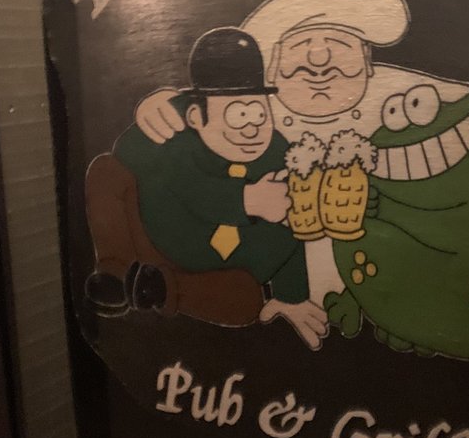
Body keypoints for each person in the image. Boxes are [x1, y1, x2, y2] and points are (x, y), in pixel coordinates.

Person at [134, 0, 469, 303]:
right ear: (273, 70)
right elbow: (206, 112)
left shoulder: (396, 92)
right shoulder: (260, 111)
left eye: (337, 43)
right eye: (301, 45)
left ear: (368, 62)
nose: (319, 58)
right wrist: (158, 105)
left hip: (393, 282)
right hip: (289, 281)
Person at [85, 26, 328, 350]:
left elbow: (294, 228)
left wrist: (291, 296)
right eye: (239, 114)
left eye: (259, 113)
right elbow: (132, 160)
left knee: (246, 301)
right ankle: (115, 272)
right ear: (197, 116)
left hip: (207, 279)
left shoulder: (280, 156)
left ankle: (160, 289)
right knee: (105, 171)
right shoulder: (181, 136)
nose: (252, 128)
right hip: (150, 241)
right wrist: (152, 112)